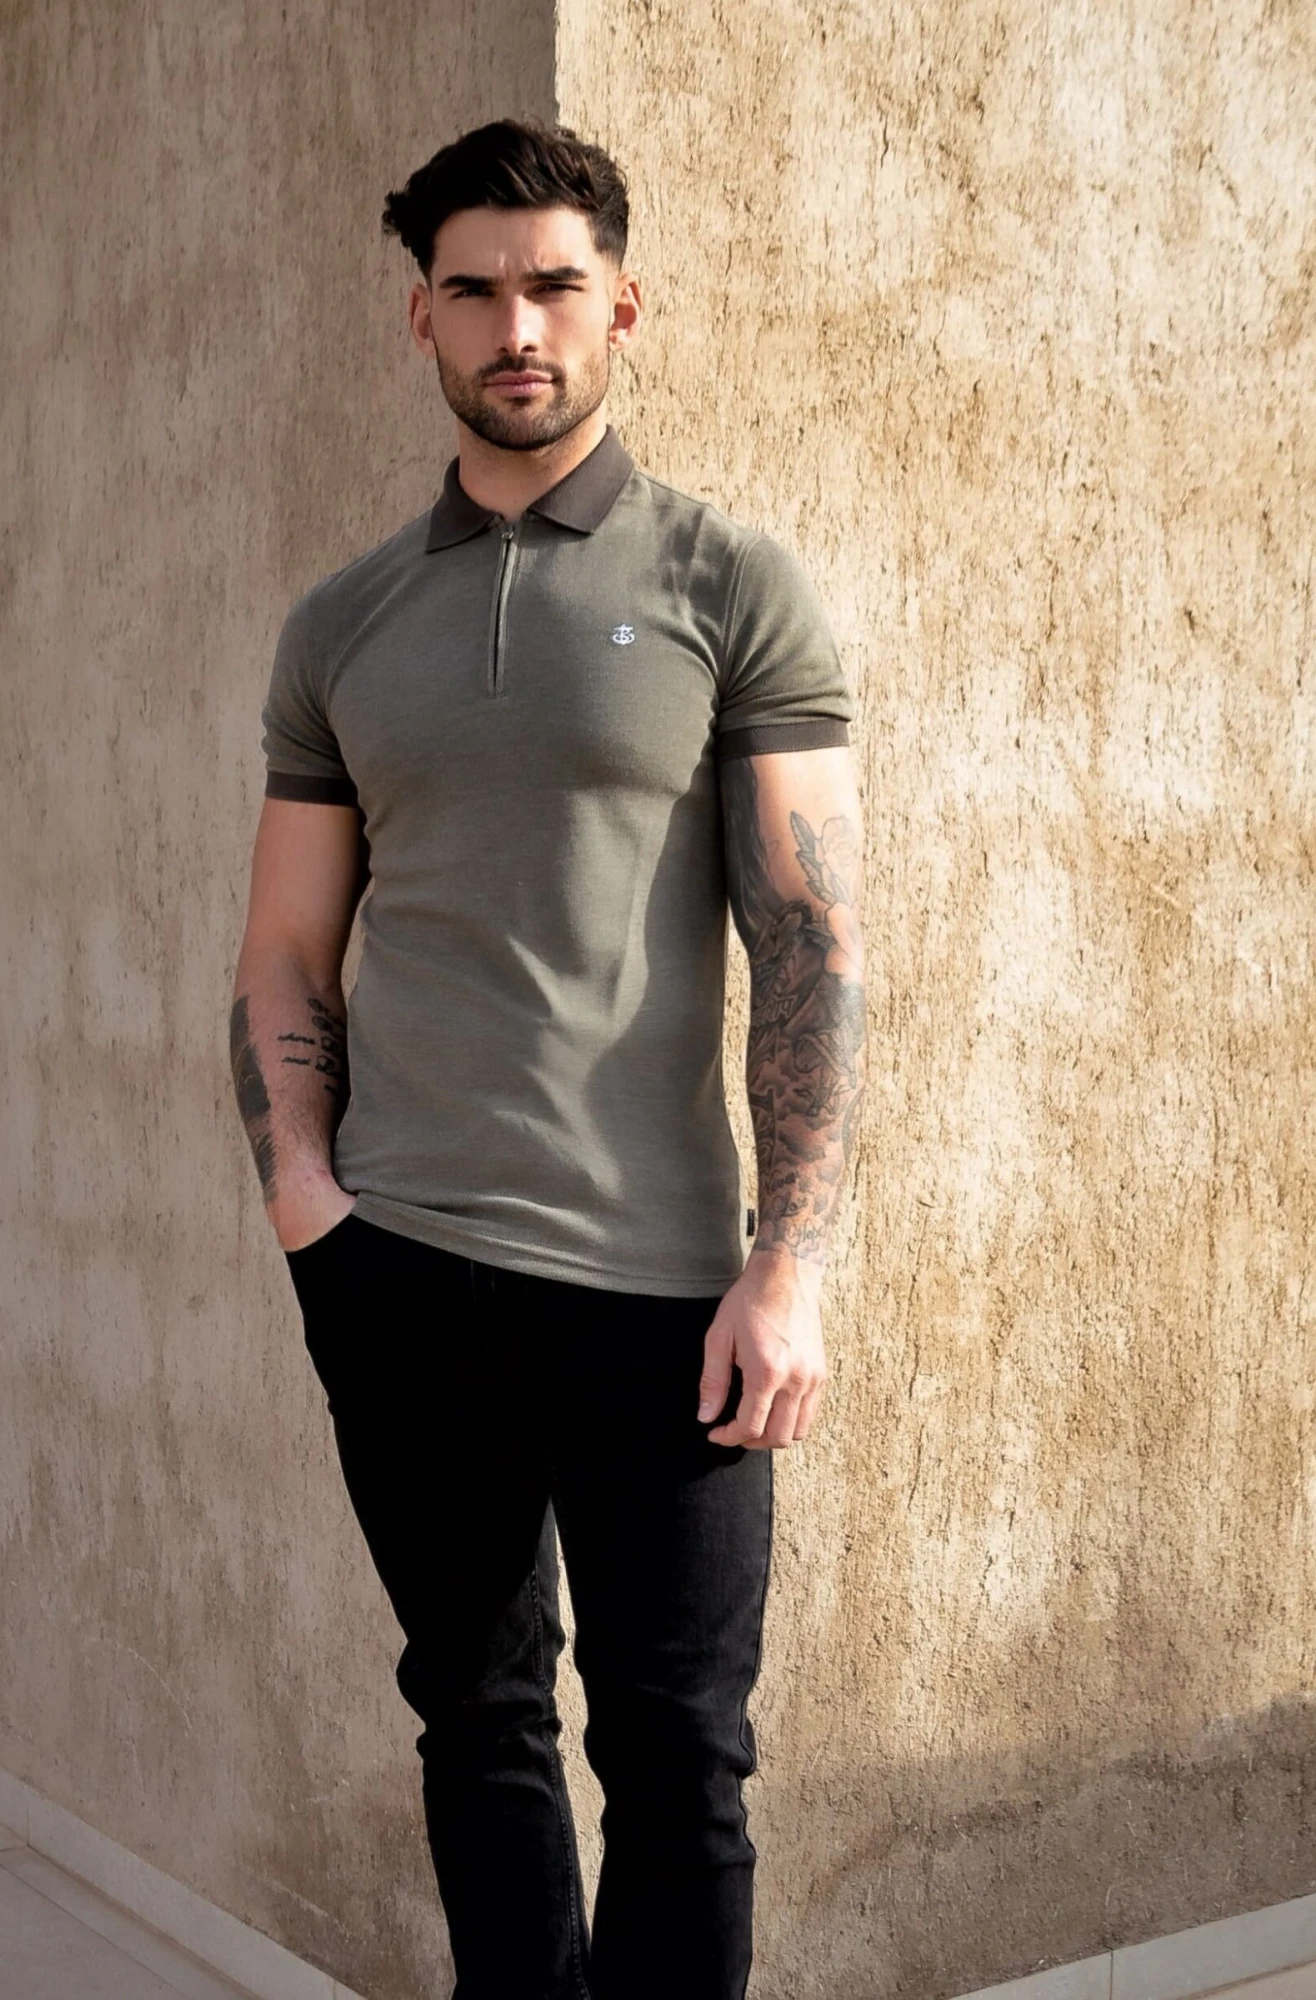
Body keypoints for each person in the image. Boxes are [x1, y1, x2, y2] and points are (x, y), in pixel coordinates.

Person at [230, 118, 866, 2000]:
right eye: (477, 289)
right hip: (401, 1268)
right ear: (420, 317)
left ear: (621, 307)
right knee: (476, 1719)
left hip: (665, 1286)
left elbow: (810, 941)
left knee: (680, 1759)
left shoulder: (733, 583)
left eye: (555, 286)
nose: (519, 326)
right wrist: (307, 1202)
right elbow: (285, 945)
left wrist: (789, 1263)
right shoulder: (342, 623)